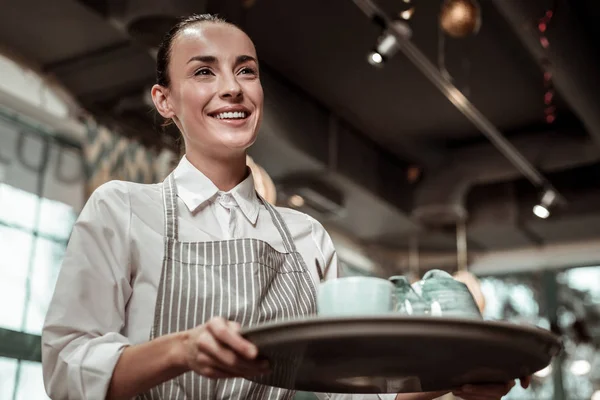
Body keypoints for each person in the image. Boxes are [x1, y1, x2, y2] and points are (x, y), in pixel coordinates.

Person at [41, 14, 529, 400]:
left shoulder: (306, 237)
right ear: (164, 100)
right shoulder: (121, 209)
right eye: (203, 71)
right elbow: (67, 367)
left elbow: (356, 389)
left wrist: (459, 376)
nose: (232, 87)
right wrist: (183, 350)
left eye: (246, 70)